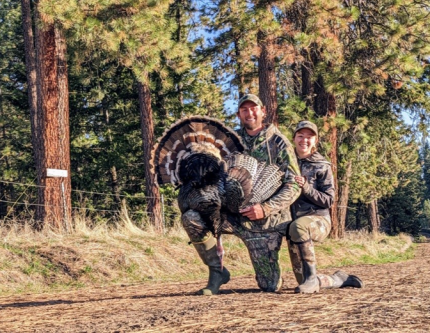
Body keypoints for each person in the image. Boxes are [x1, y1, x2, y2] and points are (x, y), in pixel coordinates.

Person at [181, 93, 301, 295]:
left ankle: (271, 273)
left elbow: (294, 185)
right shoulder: (229, 141)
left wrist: (265, 208)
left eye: (254, 108)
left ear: (263, 111)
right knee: (191, 218)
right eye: (244, 109)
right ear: (238, 114)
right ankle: (217, 271)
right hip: (231, 216)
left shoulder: (279, 143)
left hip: (265, 222)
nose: (250, 113)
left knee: (269, 286)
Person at [287, 120, 364, 293]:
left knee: (298, 227)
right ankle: (339, 279)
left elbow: (329, 200)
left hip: (319, 219)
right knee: (303, 279)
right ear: (294, 138)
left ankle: (312, 279)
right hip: (293, 227)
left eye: (309, 137)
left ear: (315, 141)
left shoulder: (322, 165)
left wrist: (306, 188)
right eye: (300, 136)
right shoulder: (286, 162)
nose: (304, 140)